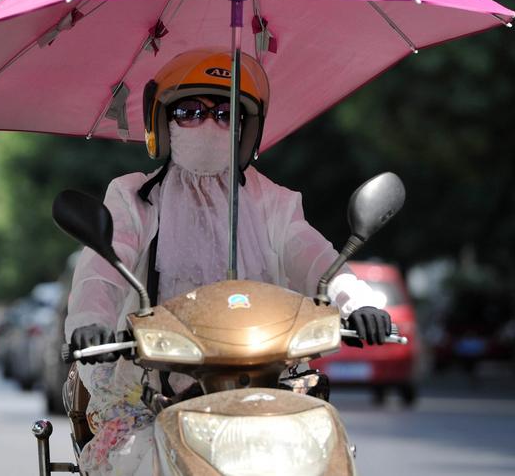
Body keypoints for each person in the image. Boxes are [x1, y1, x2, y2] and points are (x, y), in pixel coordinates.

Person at [64, 48, 392, 475]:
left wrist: (357, 304)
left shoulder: (275, 202)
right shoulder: (132, 200)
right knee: (132, 462)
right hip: (151, 384)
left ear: (245, 129)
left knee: (323, 449)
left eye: (225, 113)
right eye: (189, 111)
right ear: (160, 122)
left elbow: (315, 258)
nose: (208, 124)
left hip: (266, 374)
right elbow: (103, 269)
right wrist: (90, 321)